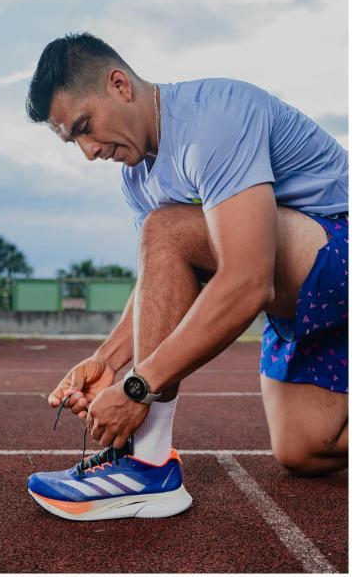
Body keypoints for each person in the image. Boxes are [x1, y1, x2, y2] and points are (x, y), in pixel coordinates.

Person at [24, 32, 348, 521]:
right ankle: (145, 464)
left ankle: (147, 465)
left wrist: (138, 387)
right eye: (74, 140)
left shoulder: (211, 119)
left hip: (336, 252)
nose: (88, 151)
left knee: (168, 229)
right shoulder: (137, 178)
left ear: (119, 85)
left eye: (86, 127)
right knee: (305, 450)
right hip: (300, 303)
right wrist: (107, 361)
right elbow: (162, 276)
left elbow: (247, 281)